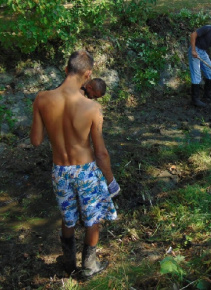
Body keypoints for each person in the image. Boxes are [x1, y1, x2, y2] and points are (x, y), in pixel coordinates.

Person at [30, 50, 120, 279]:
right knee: (92, 219)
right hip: (86, 171)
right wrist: (110, 182)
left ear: (65, 70)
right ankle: (89, 265)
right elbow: (101, 153)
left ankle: (68, 263)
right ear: (88, 75)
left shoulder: (42, 98)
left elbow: (36, 140)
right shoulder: (92, 108)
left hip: (60, 170)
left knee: (68, 217)